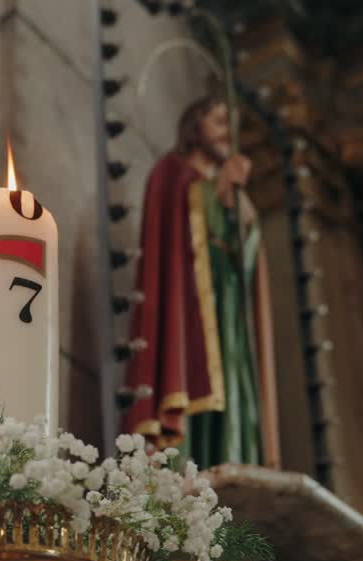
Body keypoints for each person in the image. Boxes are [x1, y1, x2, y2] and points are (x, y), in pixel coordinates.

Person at [123, 95, 279, 468]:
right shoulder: (172, 173)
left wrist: (240, 211)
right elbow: (177, 244)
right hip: (187, 310)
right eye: (220, 121)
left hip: (226, 313)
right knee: (189, 376)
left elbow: (245, 253)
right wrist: (218, 193)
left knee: (229, 390)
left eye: (233, 126)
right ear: (195, 125)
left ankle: (231, 456)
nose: (229, 133)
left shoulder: (226, 186)